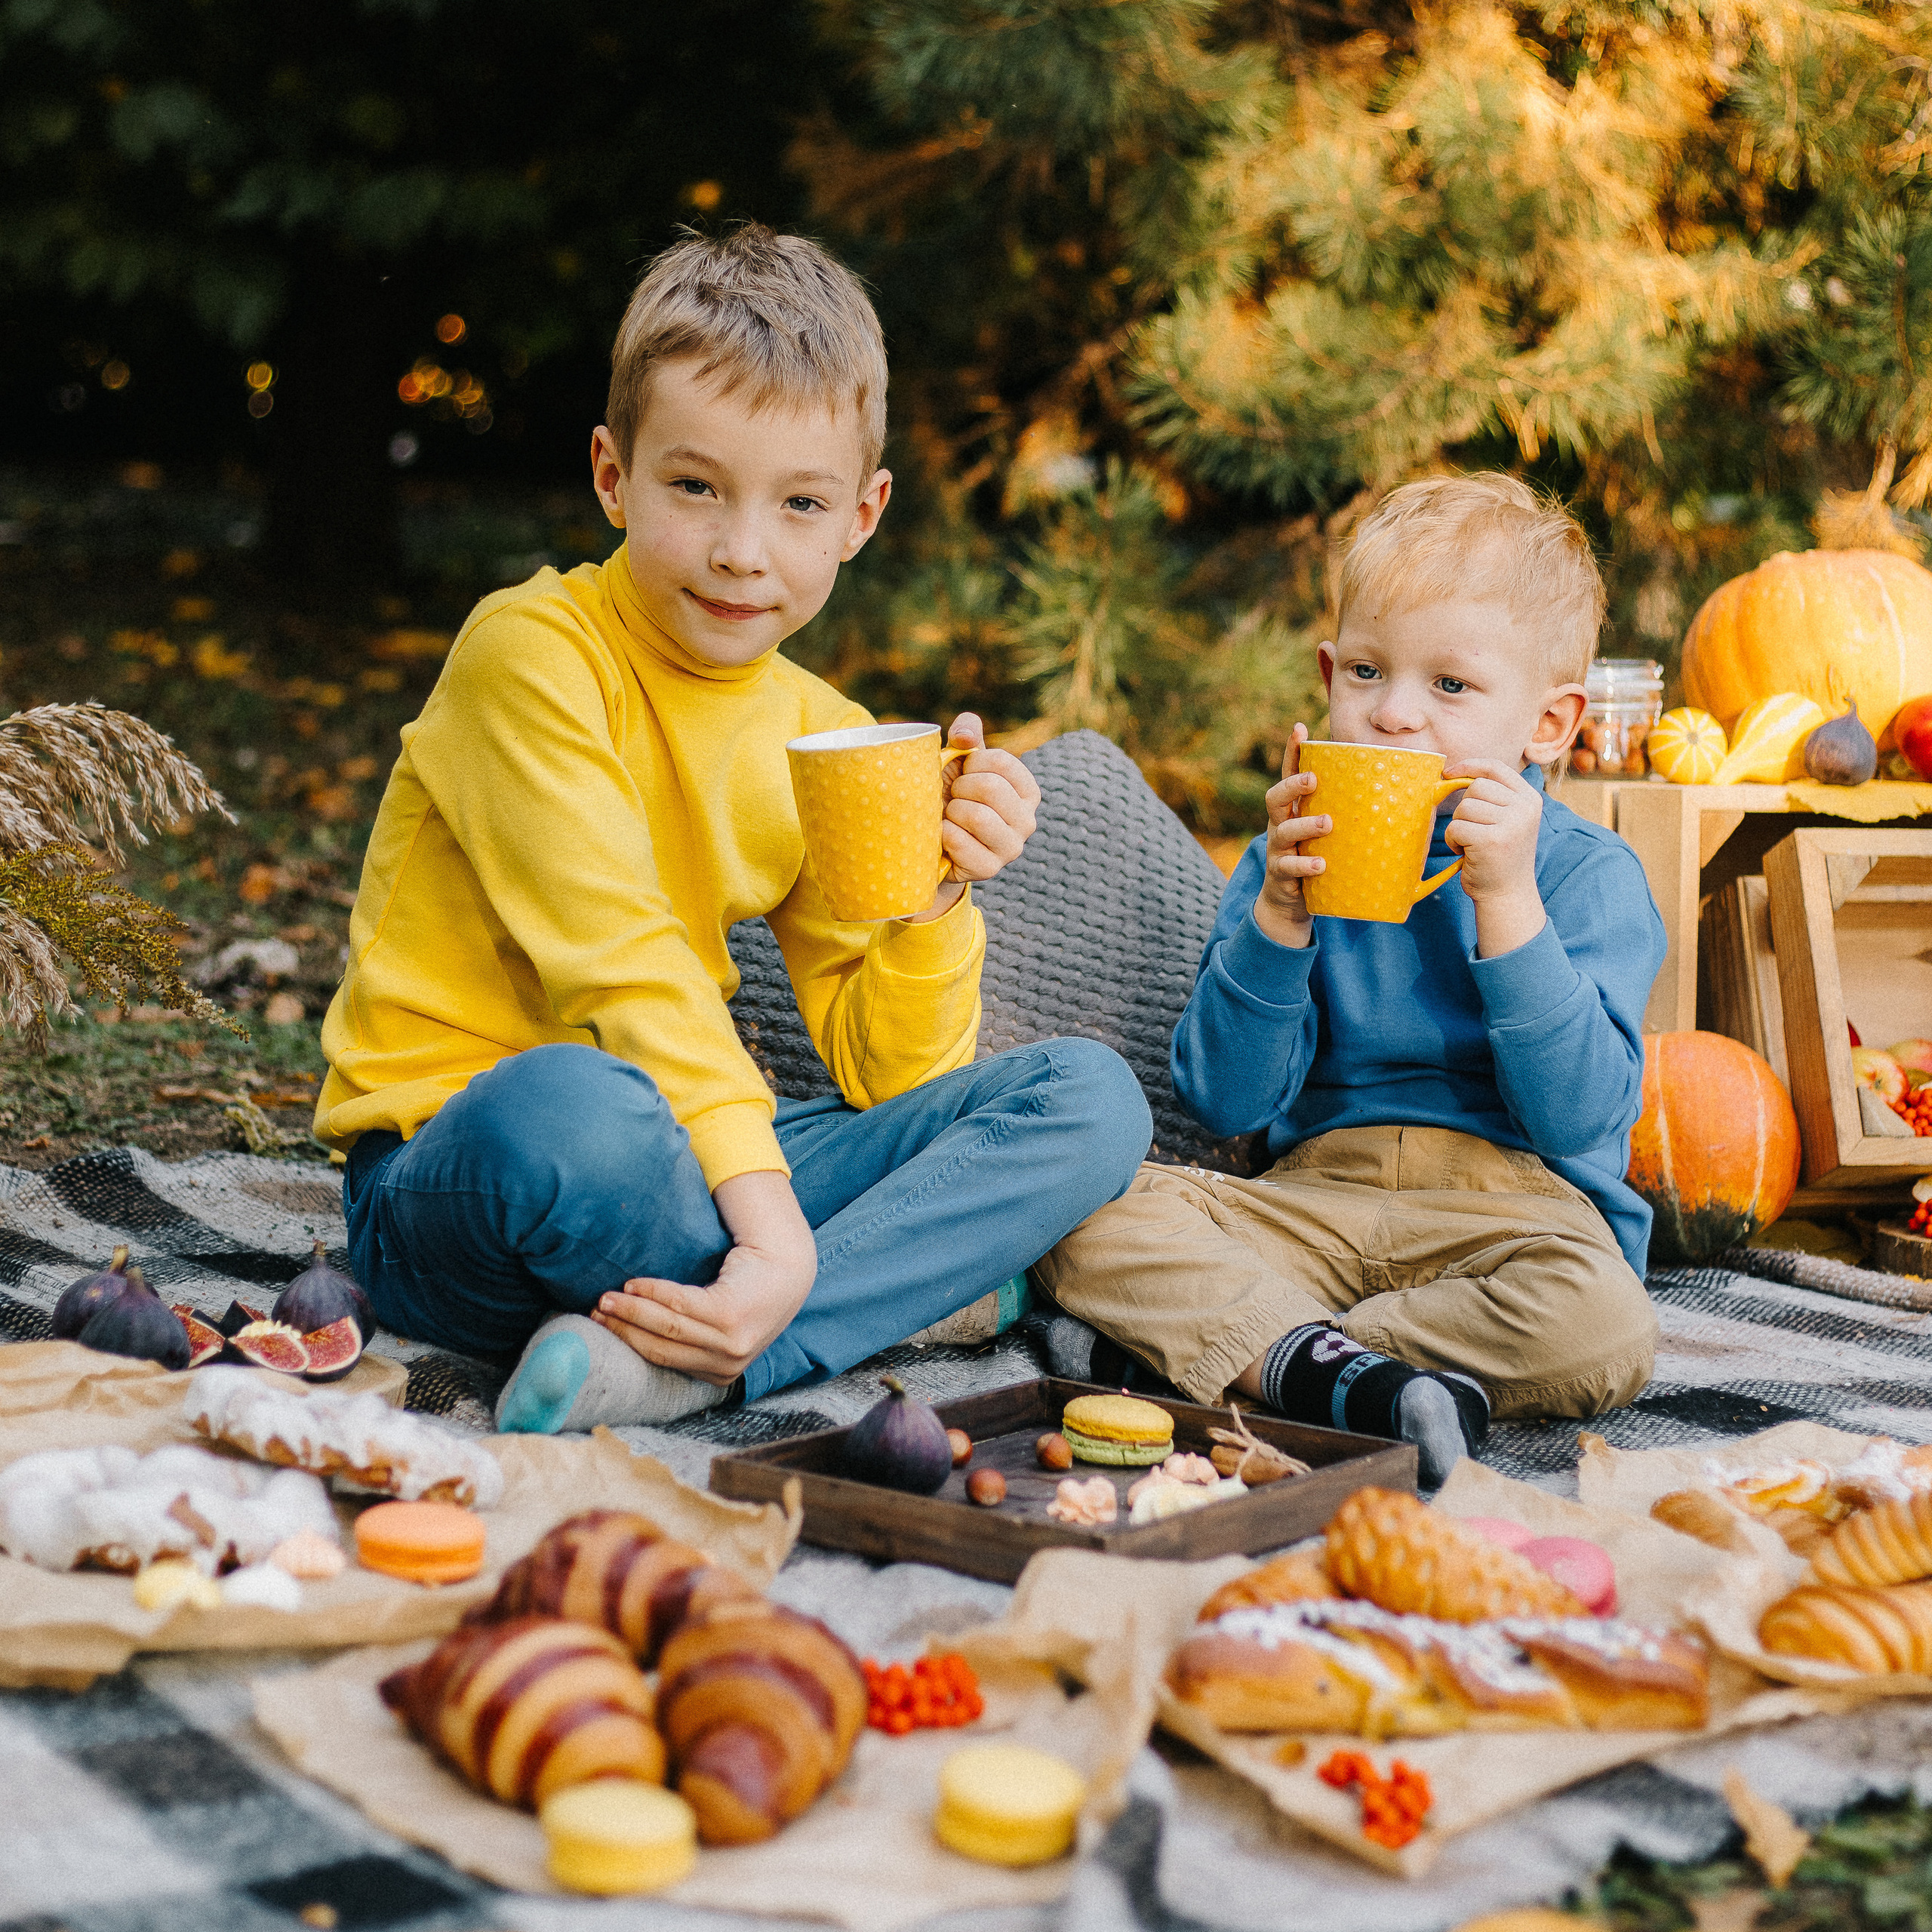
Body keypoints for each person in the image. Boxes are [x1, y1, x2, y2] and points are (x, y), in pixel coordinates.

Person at [315, 225, 1151, 1433]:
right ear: (612, 475)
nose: (741, 551)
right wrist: (772, 1229)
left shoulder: (826, 734)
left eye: (799, 503)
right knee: (585, 1111)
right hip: (467, 1170)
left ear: (860, 517)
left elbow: (887, 1075)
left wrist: (935, 901)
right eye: (694, 486)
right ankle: (868, 1282)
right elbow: (624, 961)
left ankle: (704, 1355)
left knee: (1089, 1099)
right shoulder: (531, 652)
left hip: (700, 1171)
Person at [1035, 475, 1665, 1485]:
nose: (1394, 716)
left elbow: (1579, 1117)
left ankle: (1266, 1354)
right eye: (1368, 672)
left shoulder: (1587, 876)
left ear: (1547, 726)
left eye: (1451, 688)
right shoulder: (1282, 862)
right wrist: (1281, 916)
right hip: (1315, 1196)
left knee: (1605, 1327)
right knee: (1086, 1209)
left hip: (1509, 1213)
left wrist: (1507, 904)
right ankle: (1345, 1374)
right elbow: (1225, 1096)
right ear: (1329, 674)